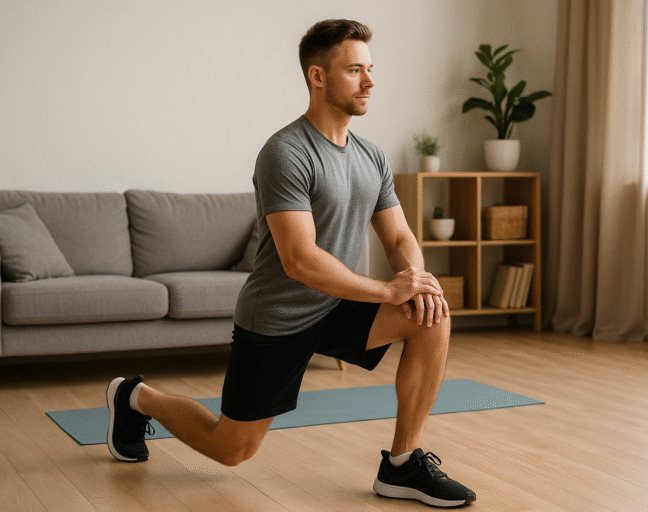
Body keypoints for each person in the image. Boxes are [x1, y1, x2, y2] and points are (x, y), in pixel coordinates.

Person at [106, 19, 476, 508]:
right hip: (280, 317)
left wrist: (419, 282)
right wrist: (389, 291)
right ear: (317, 76)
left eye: (370, 69)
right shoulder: (285, 152)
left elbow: (401, 236)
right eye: (354, 70)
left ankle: (402, 464)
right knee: (231, 448)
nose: (369, 82)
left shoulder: (372, 157)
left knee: (432, 316)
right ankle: (134, 396)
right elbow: (299, 259)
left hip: (341, 306)